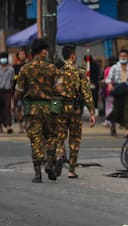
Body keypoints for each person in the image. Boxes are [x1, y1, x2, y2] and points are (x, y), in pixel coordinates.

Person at [13, 39, 61, 183]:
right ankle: (50, 163)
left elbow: (18, 91)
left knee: (36, 139)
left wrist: (13, 104)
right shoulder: (52, 68)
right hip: (49, 108)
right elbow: (59, 89)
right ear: (43, 51)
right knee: (52, 136)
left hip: (32, 109)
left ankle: (37, 174)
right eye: (45, 50)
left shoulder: (25, 69)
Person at [54, 45, 96, 179]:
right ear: (72, 56)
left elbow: (55, 89)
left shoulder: (58, 71)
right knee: (74, 138)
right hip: (75, 108)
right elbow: (86, 93)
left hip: (60, 107)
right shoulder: (79, 72)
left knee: (60, 135)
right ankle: (71, 170)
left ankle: (60, 154)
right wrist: (92, 112)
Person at [105, 49, 128, 138]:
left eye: (125, 56)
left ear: (127, 57)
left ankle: (127, 130)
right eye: (121, 56)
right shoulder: (114, 67)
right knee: (116, 110)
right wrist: (110, 85)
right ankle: (113, 125)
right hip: (118, 90)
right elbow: (108, 79)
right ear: (119, 57)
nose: (123, 58)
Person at [0, 52, 15, 133]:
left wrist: (12, 93)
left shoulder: (11, 69)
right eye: (2, 58)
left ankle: (8, 126)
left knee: (7, 109)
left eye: (4, 57)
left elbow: (11, 81)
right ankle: (0, 126)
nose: (3, 59)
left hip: (7, 91)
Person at [13, 49, 28, 133]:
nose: (22, 55)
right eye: (20, 54)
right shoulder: (15, 67)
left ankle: (26, 123)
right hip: (18, 90)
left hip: (27, 90)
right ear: (18, 56)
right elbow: (13, 79)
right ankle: (20, 126)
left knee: (27, 108)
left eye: (23, 54)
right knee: (18, 108)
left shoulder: (27, 66)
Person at [101, 56, 117, 127]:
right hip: (115, 89)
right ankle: (114, 121)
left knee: (108, 106)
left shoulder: (106, 69)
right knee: (114, 106)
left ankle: (107, 121)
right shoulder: (116, 69)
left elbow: (105, 79)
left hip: (107, 90)